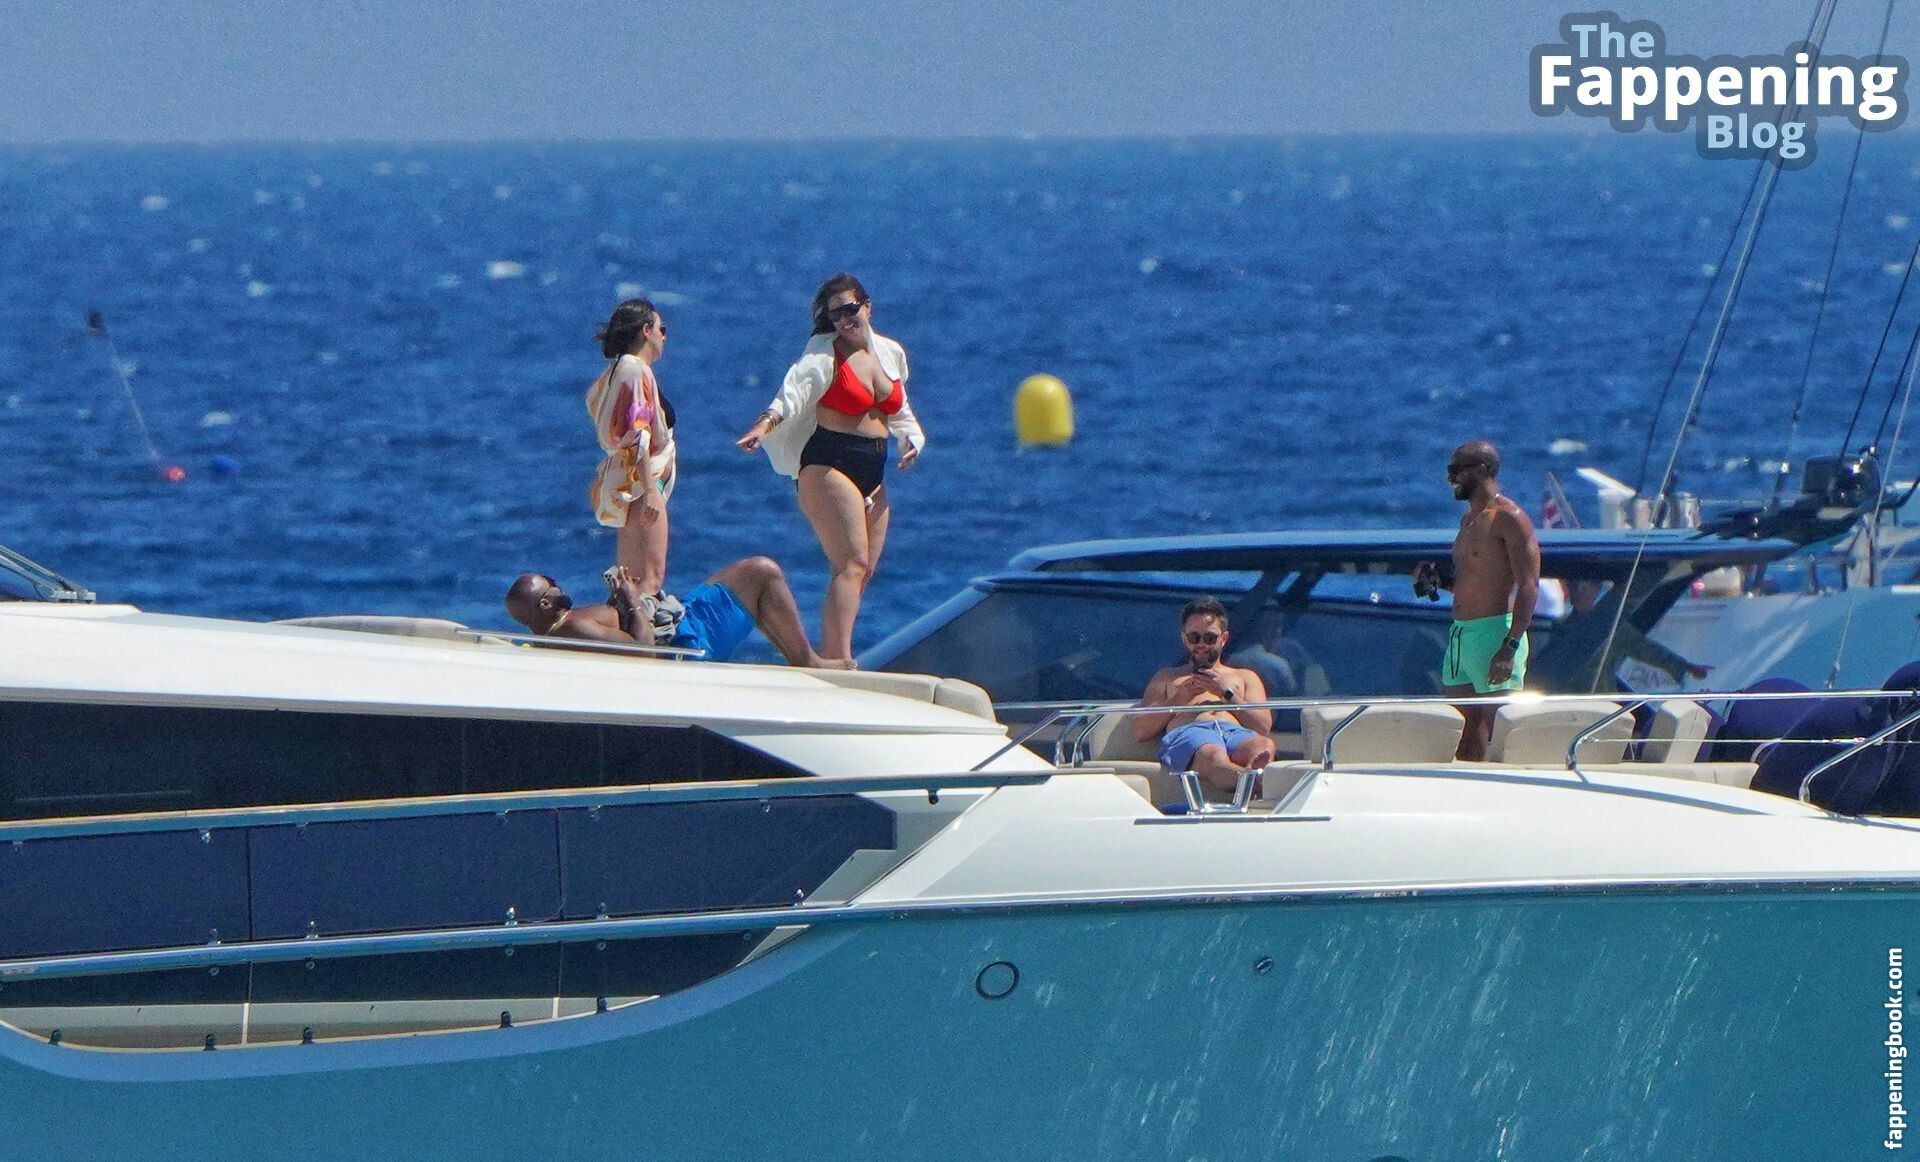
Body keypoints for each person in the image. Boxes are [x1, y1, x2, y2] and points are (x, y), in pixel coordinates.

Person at [735, 274, 926, 661]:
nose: (843, 320)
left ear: (867, 307)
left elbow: (899, 407)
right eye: (835, 314)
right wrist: (763, 426)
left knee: (863, 571)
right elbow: (792, 393)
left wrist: (912, 439)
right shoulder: (823, 355)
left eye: (849, 310)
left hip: (874, 472)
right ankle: (840, 661)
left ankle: (835, 654)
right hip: (828, 465)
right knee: (850, 564)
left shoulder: (890, 353)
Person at [1414, 439, 1541, 760]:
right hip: (1461, 636)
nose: (1450, 478)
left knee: (1501, 732)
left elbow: (1528, 586)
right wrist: (1438, 582)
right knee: (1460, 733)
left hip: (1495, 634)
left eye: (1456, 470)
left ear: (1482, 470)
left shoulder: (1509, 518)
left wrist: (1509, 647)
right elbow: (1474, 582)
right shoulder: (1467, 521)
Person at [504, 559, 852, 669]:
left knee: (745, 579)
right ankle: (808, 661)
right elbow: (644, 654)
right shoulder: (574, 628)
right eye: (551, 586)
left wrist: (621, 602)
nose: (558, 585)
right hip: (686, 638)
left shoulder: (559, 633)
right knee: (762, 573)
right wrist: (631, 601)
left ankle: (799, 655)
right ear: (545, 605)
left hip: (676, 618)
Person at [1130, 597, 1276, 794]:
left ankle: (1249, 777)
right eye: (1194, 637)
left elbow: (1263, 727)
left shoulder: (1245, 677)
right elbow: (1140, 730)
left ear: (1223, 639)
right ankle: (1252, 781)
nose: (1201, 644)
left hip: (1235, 733)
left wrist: (1227, 693)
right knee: (1213, 755)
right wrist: (1179, 699)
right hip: (1191, 732)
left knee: (1264, 745)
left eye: (1209, 638)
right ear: (1184, 638)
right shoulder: (1167, 677)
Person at [586, 298, 676, 596]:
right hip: (642, 483)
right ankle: (642, 626)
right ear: (646, 330)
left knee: (631, 580)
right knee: (651, 578)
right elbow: (638, 433)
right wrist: (650, 490)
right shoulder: (636, 371)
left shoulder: (615, 372)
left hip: (628, 481)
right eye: (662, 329)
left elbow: (596, 404)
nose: (664, 336)